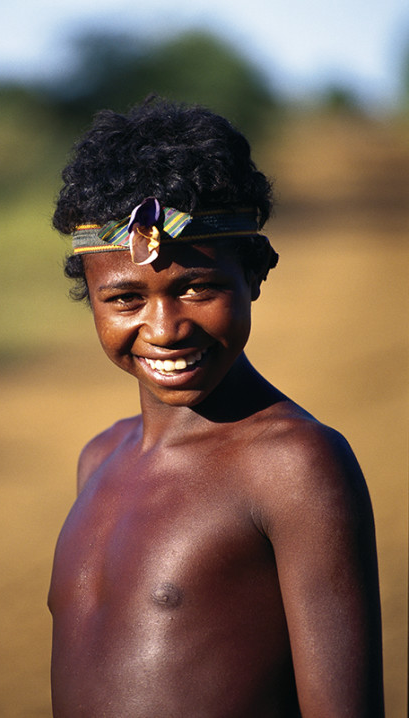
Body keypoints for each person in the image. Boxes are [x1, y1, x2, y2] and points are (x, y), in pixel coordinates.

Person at [48, 97, 384, 717]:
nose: (165, 327)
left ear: (253, 274)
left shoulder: (295, 467)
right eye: (125, 298)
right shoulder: (99, 458)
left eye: (197, 288)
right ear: (88, 296)